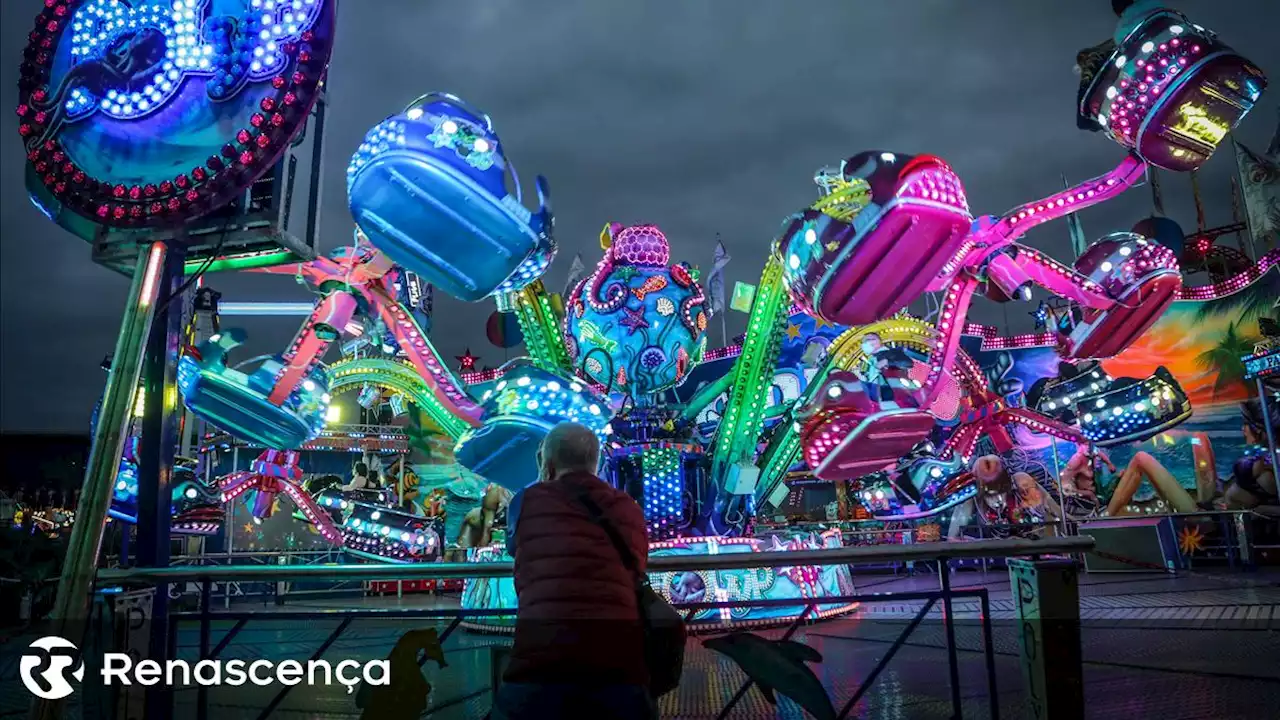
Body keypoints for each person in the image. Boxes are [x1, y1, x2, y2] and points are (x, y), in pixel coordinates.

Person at [492, 422, 655, 720]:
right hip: (619, 666)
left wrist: (542, 479)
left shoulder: (526, 502)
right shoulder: (628, 507)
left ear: (548, 462)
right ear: (597, 463)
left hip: (540, 664)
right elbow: (638, 564)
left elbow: (515, 548)